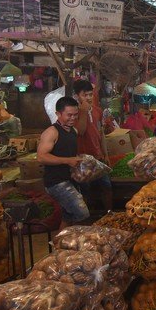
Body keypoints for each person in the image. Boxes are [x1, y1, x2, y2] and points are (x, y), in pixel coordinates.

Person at [37, 96, 89, 230]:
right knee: (81, 213)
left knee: (68, 216)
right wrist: (68, 161)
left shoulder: (73, 131)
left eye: (75, 115)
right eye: (69, 115)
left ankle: (60, 246)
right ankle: (76, 244)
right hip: (56, 182)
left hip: (70, 179)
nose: (72, 118)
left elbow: (69, 153)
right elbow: (41, 157)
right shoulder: (51, 132)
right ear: (58, 114)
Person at [73, 80, 112, 212]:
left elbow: (101, 134)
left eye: (90, 94)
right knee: (85, 190)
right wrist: (83, 112)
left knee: (106, 186)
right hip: (82, 160)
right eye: (85, 95)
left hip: (98, 157)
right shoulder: (73, 113)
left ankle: (109, 213)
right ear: (77, 96)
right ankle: (88, 219)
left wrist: (105, 155)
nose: (89, 98)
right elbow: (81, 131)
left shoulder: (97, 111)